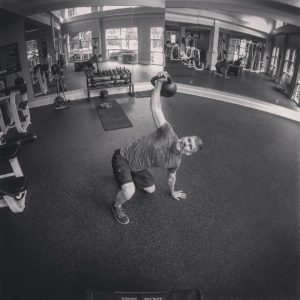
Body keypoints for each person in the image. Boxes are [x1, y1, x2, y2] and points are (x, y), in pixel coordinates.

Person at [111, 71, 203, 225]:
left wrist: (173, 192)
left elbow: (171, 177)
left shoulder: (176, 162)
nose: (185, 143)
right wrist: (159, 83)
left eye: (189, 146)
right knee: (129, 191)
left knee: (151, 190)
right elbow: (155, 108)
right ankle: (116, 206)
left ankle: (128, 178)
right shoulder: (168, 132)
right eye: (188, 139)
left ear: (188, 153)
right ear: (185, 137)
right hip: (124, 157)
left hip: (138, 168)